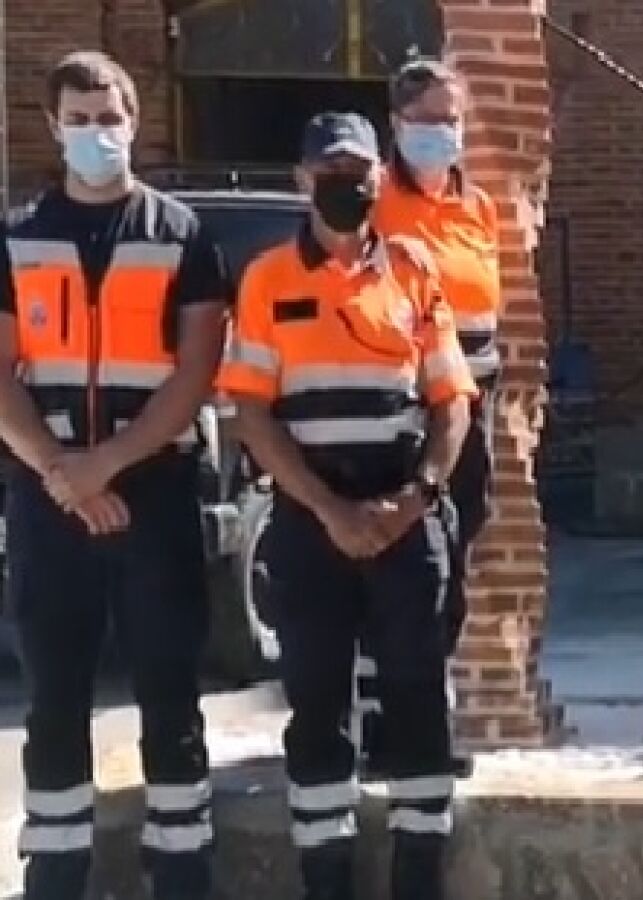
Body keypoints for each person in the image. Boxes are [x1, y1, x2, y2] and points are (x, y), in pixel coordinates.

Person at [217, 111, 475, 900]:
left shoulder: (414, 269)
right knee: (317, 701)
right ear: (303, 179)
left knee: (417, 697)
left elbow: (451, 400)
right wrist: (329, 509)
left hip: (405, 512)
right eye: (330, 173)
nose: (347, 186)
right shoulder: (267, 279)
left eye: (359, 173)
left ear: (377, 178)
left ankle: (418, 879)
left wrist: (417, 497)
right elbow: (251, 411)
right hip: (309, 517)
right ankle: (327, 880)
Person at [0, 51, 229, 900]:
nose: (97, 133)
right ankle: (55, 873)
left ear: (134, 121)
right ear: (53, 126)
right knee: (55, 695)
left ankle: (182, 870)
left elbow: (194, 373)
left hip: (154, 493)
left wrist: (106, 466)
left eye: (109, 118)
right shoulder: (17, 235)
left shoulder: (181, 234)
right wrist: (63, 473)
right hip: (48, 497)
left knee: (170, 689)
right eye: (80, 120)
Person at [354, 58, 499, 780]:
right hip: (406, 409)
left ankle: (426, 724)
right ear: (397, 124)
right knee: (401, 568)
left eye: (452, 118)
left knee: (451, 565)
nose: (442, 132)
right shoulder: (374, 200)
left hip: (471, 409)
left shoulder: (478, 207)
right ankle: (383, 730)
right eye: (427, 119)